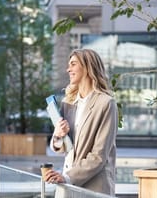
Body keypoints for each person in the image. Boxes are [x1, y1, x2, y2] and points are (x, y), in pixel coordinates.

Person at [43, 49, 117, 196]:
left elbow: (99, 156)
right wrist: (58, 135)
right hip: (66, 184)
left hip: (93, 187)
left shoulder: (106, 103)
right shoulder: (68, 103)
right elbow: (64, 147)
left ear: (88, 67)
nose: (68, 69)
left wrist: (68, 177)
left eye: (73, 64)